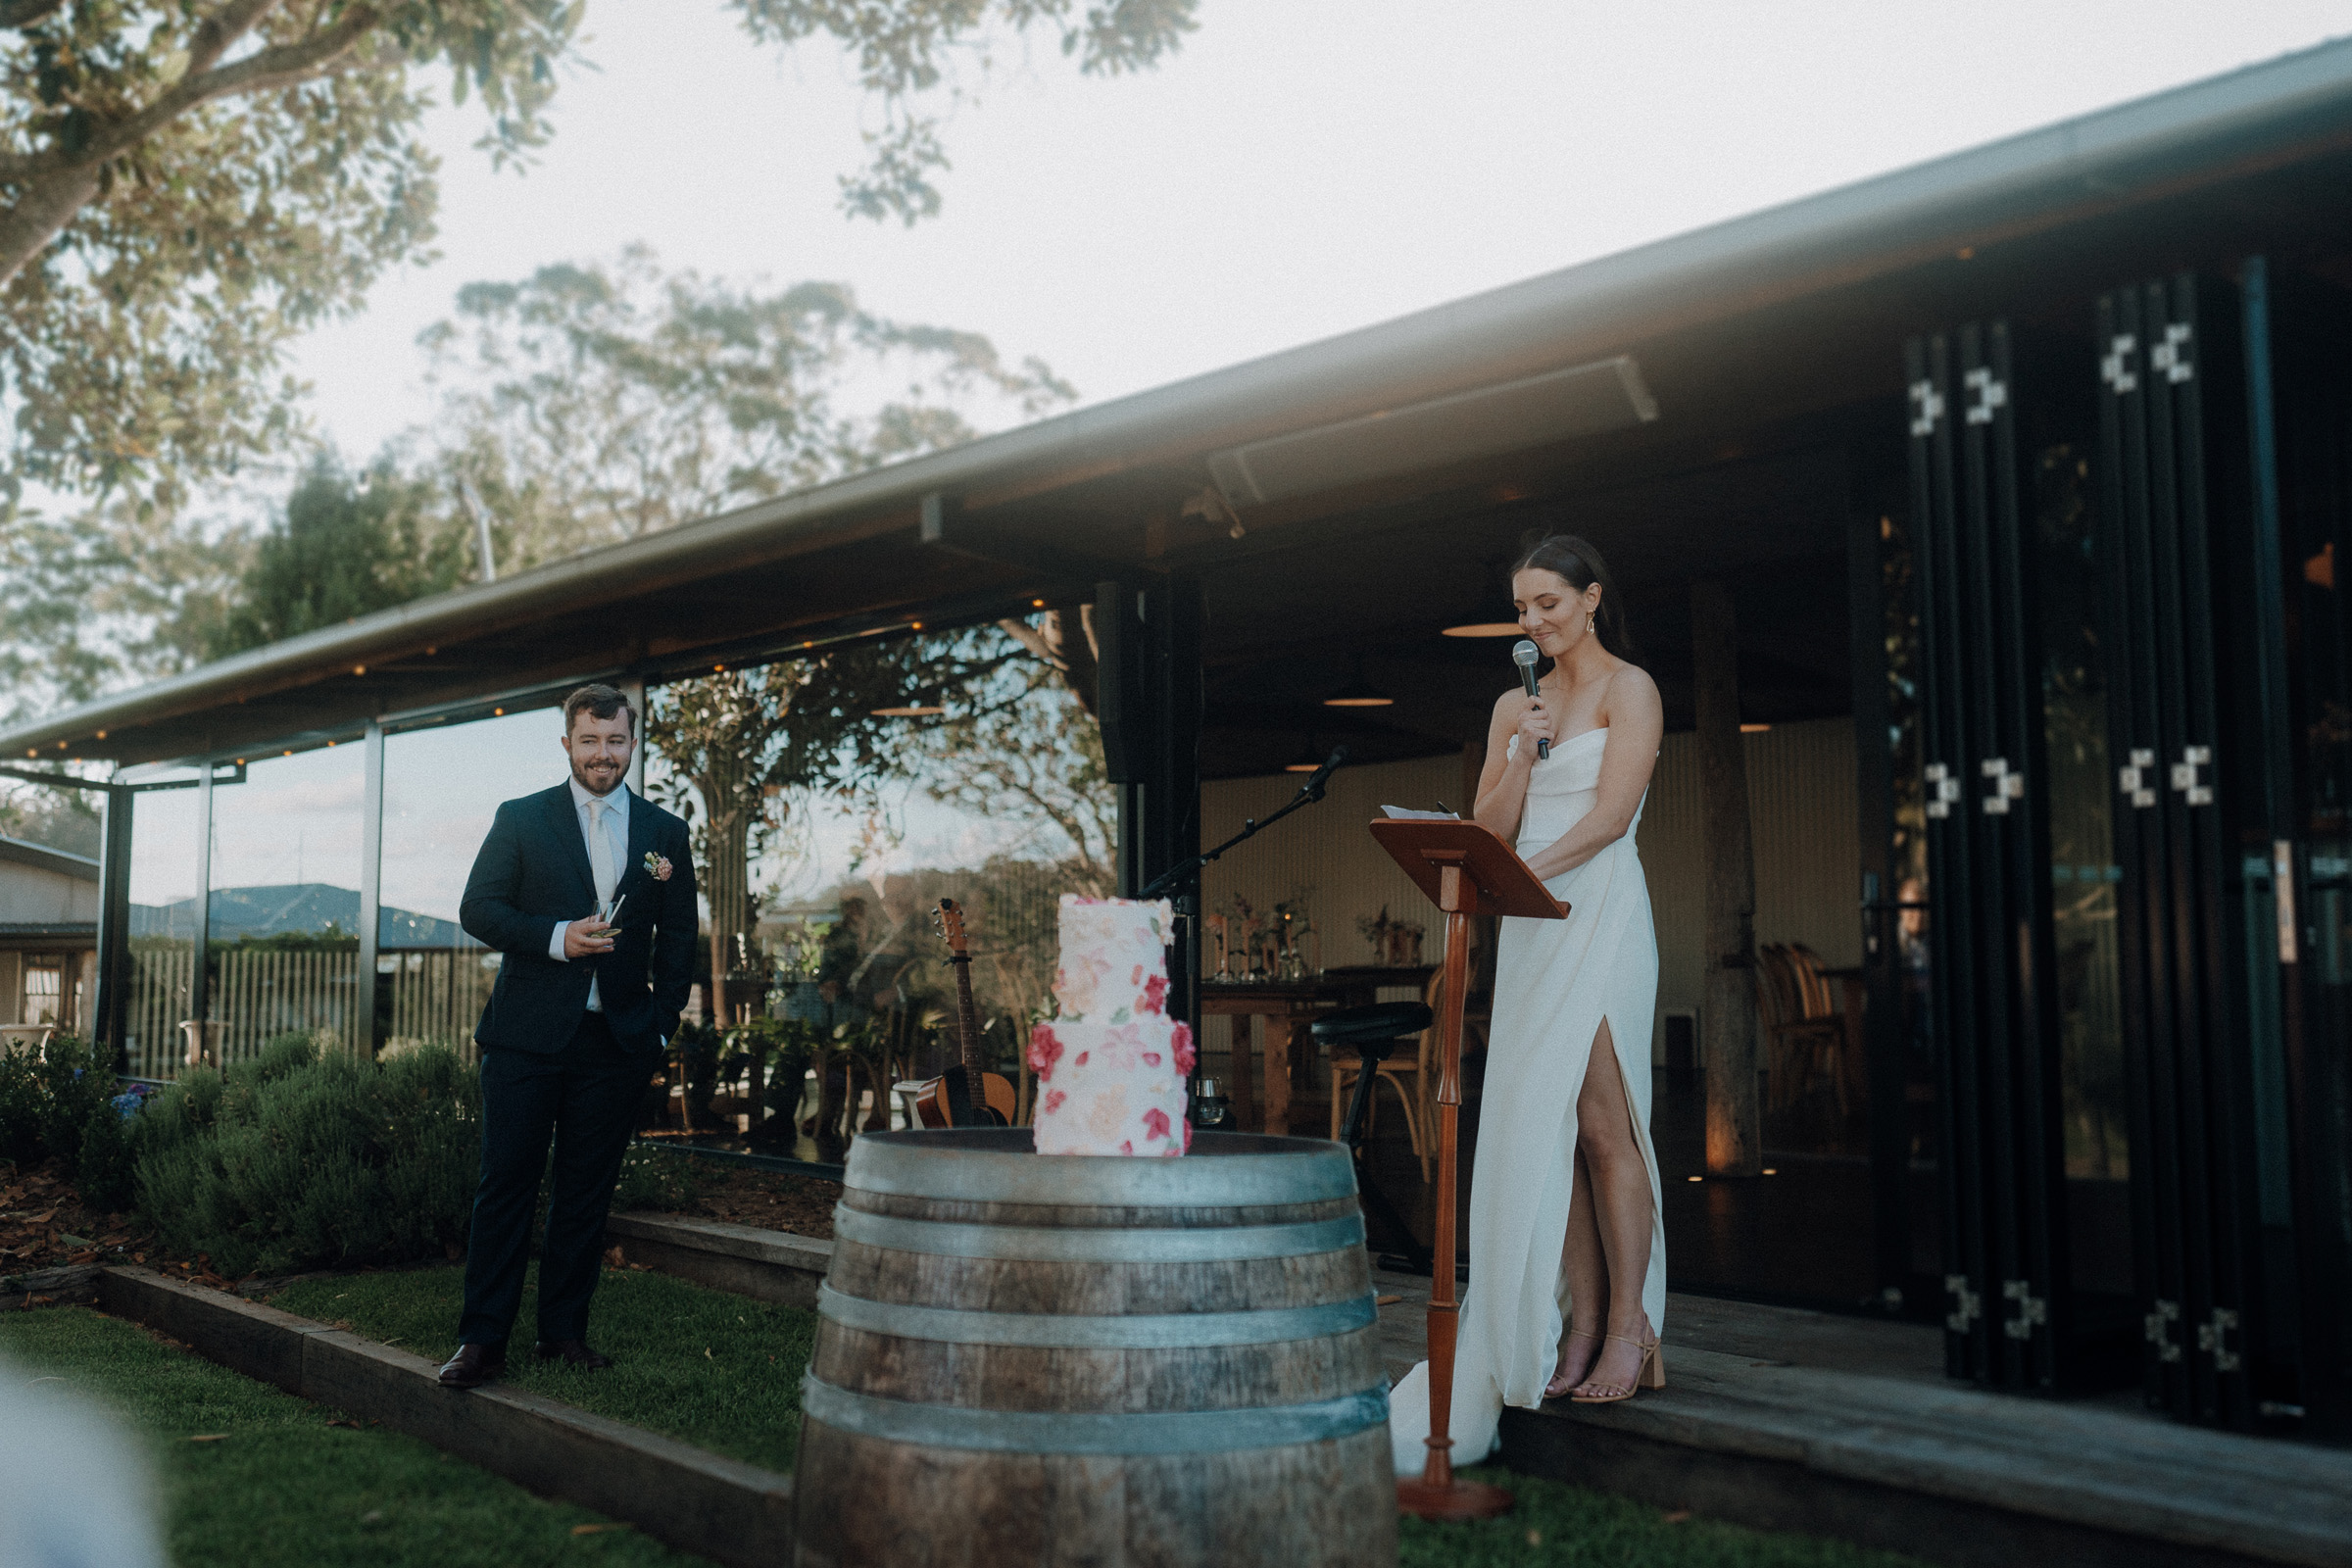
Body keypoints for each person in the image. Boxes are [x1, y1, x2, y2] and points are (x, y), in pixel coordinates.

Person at [1388, 533, 1665, 1475]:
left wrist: (1517, 878)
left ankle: (1631, 1328)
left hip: (1598, 913)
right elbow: (1491, 824)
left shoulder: (1632, 689)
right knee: (1544, 1126)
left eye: (1549, 602)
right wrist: (1518, 753)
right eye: (1522, 608)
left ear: (1591, 599)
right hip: (1532, 922)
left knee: (1602, 1125)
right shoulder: (1520, 700)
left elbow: (1611, 816)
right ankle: (1576, 1327)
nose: (1533, 622)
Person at [437, 684, 698, 1388]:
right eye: (590, 741)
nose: (602, 755)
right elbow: (477, 908)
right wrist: (556, 937)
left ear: (631, 744)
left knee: (585, 1193)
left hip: (614, 1044)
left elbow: (678, 944)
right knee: (506, 1187)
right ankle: (482, 1340)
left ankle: (564, 1335)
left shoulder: (664, 834)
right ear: (567, 745)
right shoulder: (521, 819)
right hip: (524, 1037)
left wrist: (658, 1031)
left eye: (615, 742)